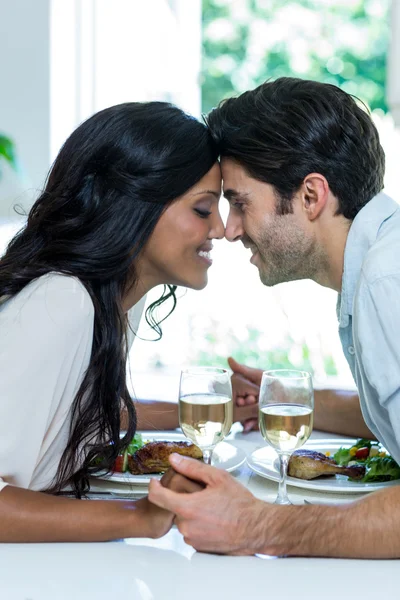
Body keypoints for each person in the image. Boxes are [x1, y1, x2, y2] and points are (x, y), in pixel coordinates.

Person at [149, 78, 400, 559]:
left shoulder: (385, 283)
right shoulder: (378, 263)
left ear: (310, 196)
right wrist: (294, 403)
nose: (229, 229)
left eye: (240, 202)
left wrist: (257, 525)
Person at [0, 101, 255, 543]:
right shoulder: (61, 302)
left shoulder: (112, 299)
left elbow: (69, 416)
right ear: (132, 206)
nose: (220, 228)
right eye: (202, 209)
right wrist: (141, 516)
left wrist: (199, 414)